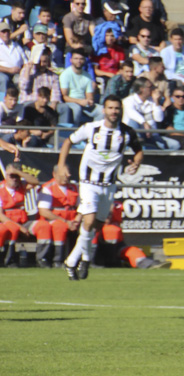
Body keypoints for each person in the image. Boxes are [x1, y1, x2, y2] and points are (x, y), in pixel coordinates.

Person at [55, 96, 142, 280]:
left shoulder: (127, 133)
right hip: (88, 182)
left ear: (121, 110)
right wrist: (61, 164)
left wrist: (136, 163)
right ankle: (86, 258)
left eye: (117, 108)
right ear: (104, 110)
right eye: (110, 108)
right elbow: (68, 141)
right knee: (88, 221)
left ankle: (71, 261)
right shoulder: (91, 128)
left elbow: (139, 151)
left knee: (97, 225)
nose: (113, 111)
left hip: (109, 185)